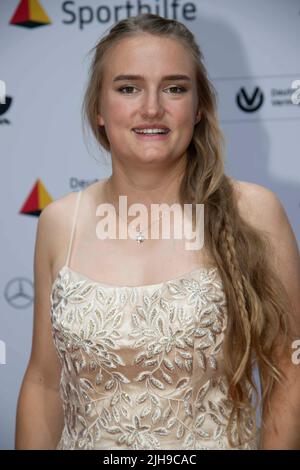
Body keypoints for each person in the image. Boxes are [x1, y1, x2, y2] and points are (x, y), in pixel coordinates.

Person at [15, 13, 300, 450]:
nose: (152, 107)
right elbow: (43, 383)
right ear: (99, 109)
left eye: (175, 88)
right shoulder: (59, 223)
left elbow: (290, 369)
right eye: (128, 88)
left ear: (199, 106)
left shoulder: (253, 212)